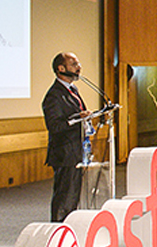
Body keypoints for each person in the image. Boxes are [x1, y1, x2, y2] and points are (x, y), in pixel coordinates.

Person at [43, 52, 94, 222]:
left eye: (78, 63)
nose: (78, 67)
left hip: (77, 151)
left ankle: (69, 228)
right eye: (74, 64)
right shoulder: (53, 95)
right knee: (64, 197)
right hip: (65, 153)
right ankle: (58, 230)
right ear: (61, 68)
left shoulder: (73, 90)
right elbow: (55, 126)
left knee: (73, 197)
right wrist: (78, 118)